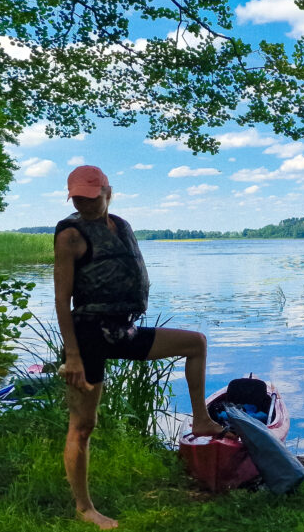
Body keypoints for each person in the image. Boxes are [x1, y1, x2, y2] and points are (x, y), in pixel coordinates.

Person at [54, 165, 223, 530]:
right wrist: (72, 355)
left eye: (91, 197)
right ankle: (84, 508)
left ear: (107, 191)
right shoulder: (70, 234)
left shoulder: (122, 224)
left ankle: (201, 420)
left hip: (123, 330)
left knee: (195, 343)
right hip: (87, 336)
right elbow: (61, 300)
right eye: (78, 199)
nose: (84, 204)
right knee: (83, 425)